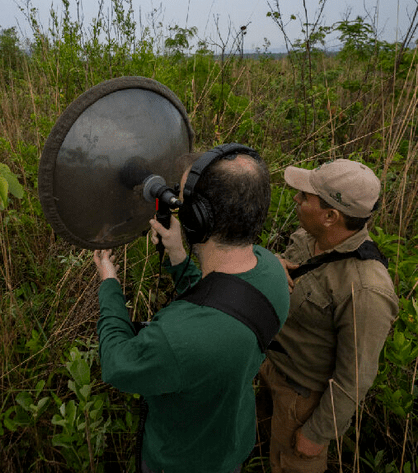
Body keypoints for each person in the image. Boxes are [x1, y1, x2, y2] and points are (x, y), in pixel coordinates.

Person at [93, 144, 291, 473]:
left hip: (177, 462)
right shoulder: (270, 271)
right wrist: (178, 256)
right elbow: (222, 298)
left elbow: (118, 363)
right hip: (230, 449)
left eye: (182, 200)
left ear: (198, 220)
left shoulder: (177, 337)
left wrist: (109, 285)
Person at [258, 158, 399, 473]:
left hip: (303, 403)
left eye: (305, 197)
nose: (296, 198)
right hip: (271, 369)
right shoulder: (310, 237)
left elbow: (355, 378)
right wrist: (271, 264)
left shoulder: (366, 291)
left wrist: (317, 433)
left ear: (330, 216)